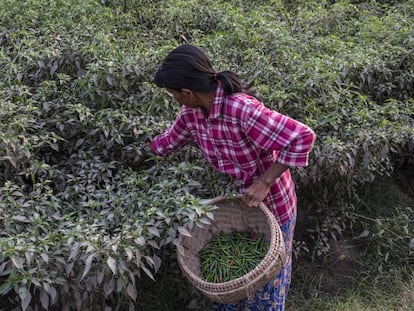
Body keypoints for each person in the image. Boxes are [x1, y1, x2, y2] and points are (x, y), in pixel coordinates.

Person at [149, 44, 316, 311]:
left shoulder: (241, 110)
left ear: (187, 92)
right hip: (235, 207)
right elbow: (168, 141)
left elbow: (302, 137)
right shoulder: (191, 113)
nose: (173, 98)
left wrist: (264, 181)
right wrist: (139, 152)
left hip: (272, 205)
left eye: (172, 94)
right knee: (231, 283)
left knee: (265, 285)